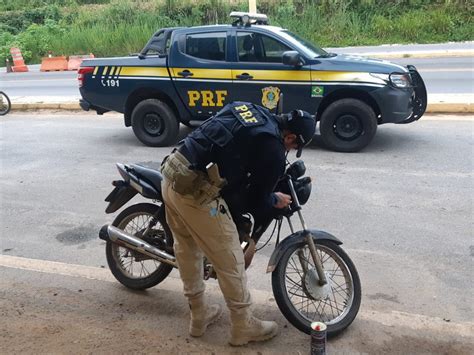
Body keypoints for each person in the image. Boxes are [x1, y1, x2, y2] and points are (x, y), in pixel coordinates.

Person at [161, 102, 316, 346]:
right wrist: (274, 199)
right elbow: (257, 199)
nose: (290, 148)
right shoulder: (273, 148)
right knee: (231, 261)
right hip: (196, 193)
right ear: (291, 136)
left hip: (172, 175)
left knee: (187, 250)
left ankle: (199, 314)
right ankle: (243, 325)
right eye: (294, 145)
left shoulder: (250, 108)